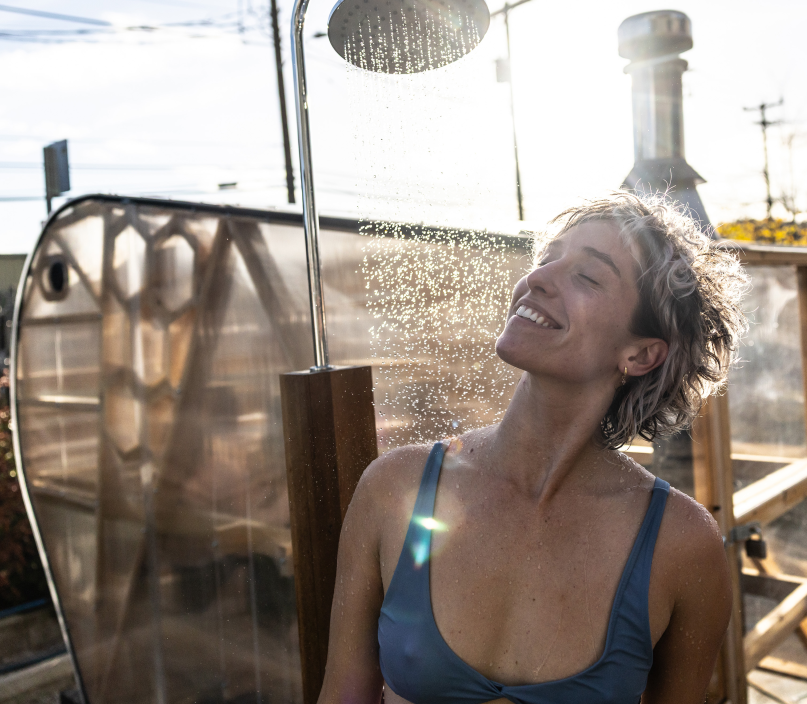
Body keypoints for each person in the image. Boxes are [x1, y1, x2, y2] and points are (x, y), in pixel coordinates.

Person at [319, 191, 749, 703]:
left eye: (587, 276)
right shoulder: (396, 489)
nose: (537, 278)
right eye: (548, 259)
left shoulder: (681, 545)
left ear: (640, 354)